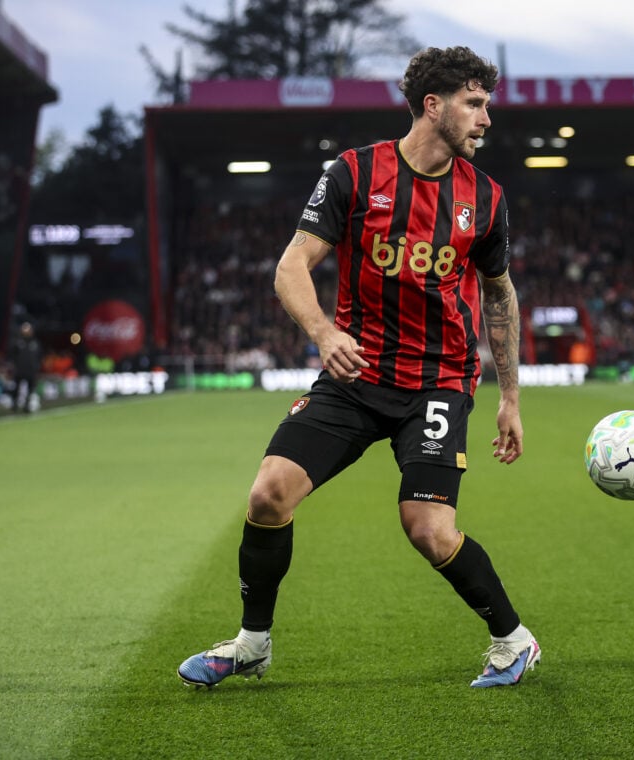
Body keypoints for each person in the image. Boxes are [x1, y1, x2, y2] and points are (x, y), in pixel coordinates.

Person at [177, 46, 540, 690]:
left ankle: (513, 640)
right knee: (268, 495)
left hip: (437, 382)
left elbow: (499, 293)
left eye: (487, 105)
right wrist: (323, 332)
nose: (486, 119)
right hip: (356, 375)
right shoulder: (354, 172)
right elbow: (291, 265)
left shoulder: (486, 198)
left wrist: (509, 396)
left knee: (428, 529)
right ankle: (252, 644)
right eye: (474, 104)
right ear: (433, 105)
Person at [9, 321, 41, 413]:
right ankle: (14, 404)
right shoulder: (18, 343)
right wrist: (14, 366)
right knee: (16, 388)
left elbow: (39, 356)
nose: (26, 332)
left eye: (28, 330)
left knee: (30, 389)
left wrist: (36, 367)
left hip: (31, 371)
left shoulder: (35, 343)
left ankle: (27, 405)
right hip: (20, 370)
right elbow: (12, 355)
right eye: (25, 330)